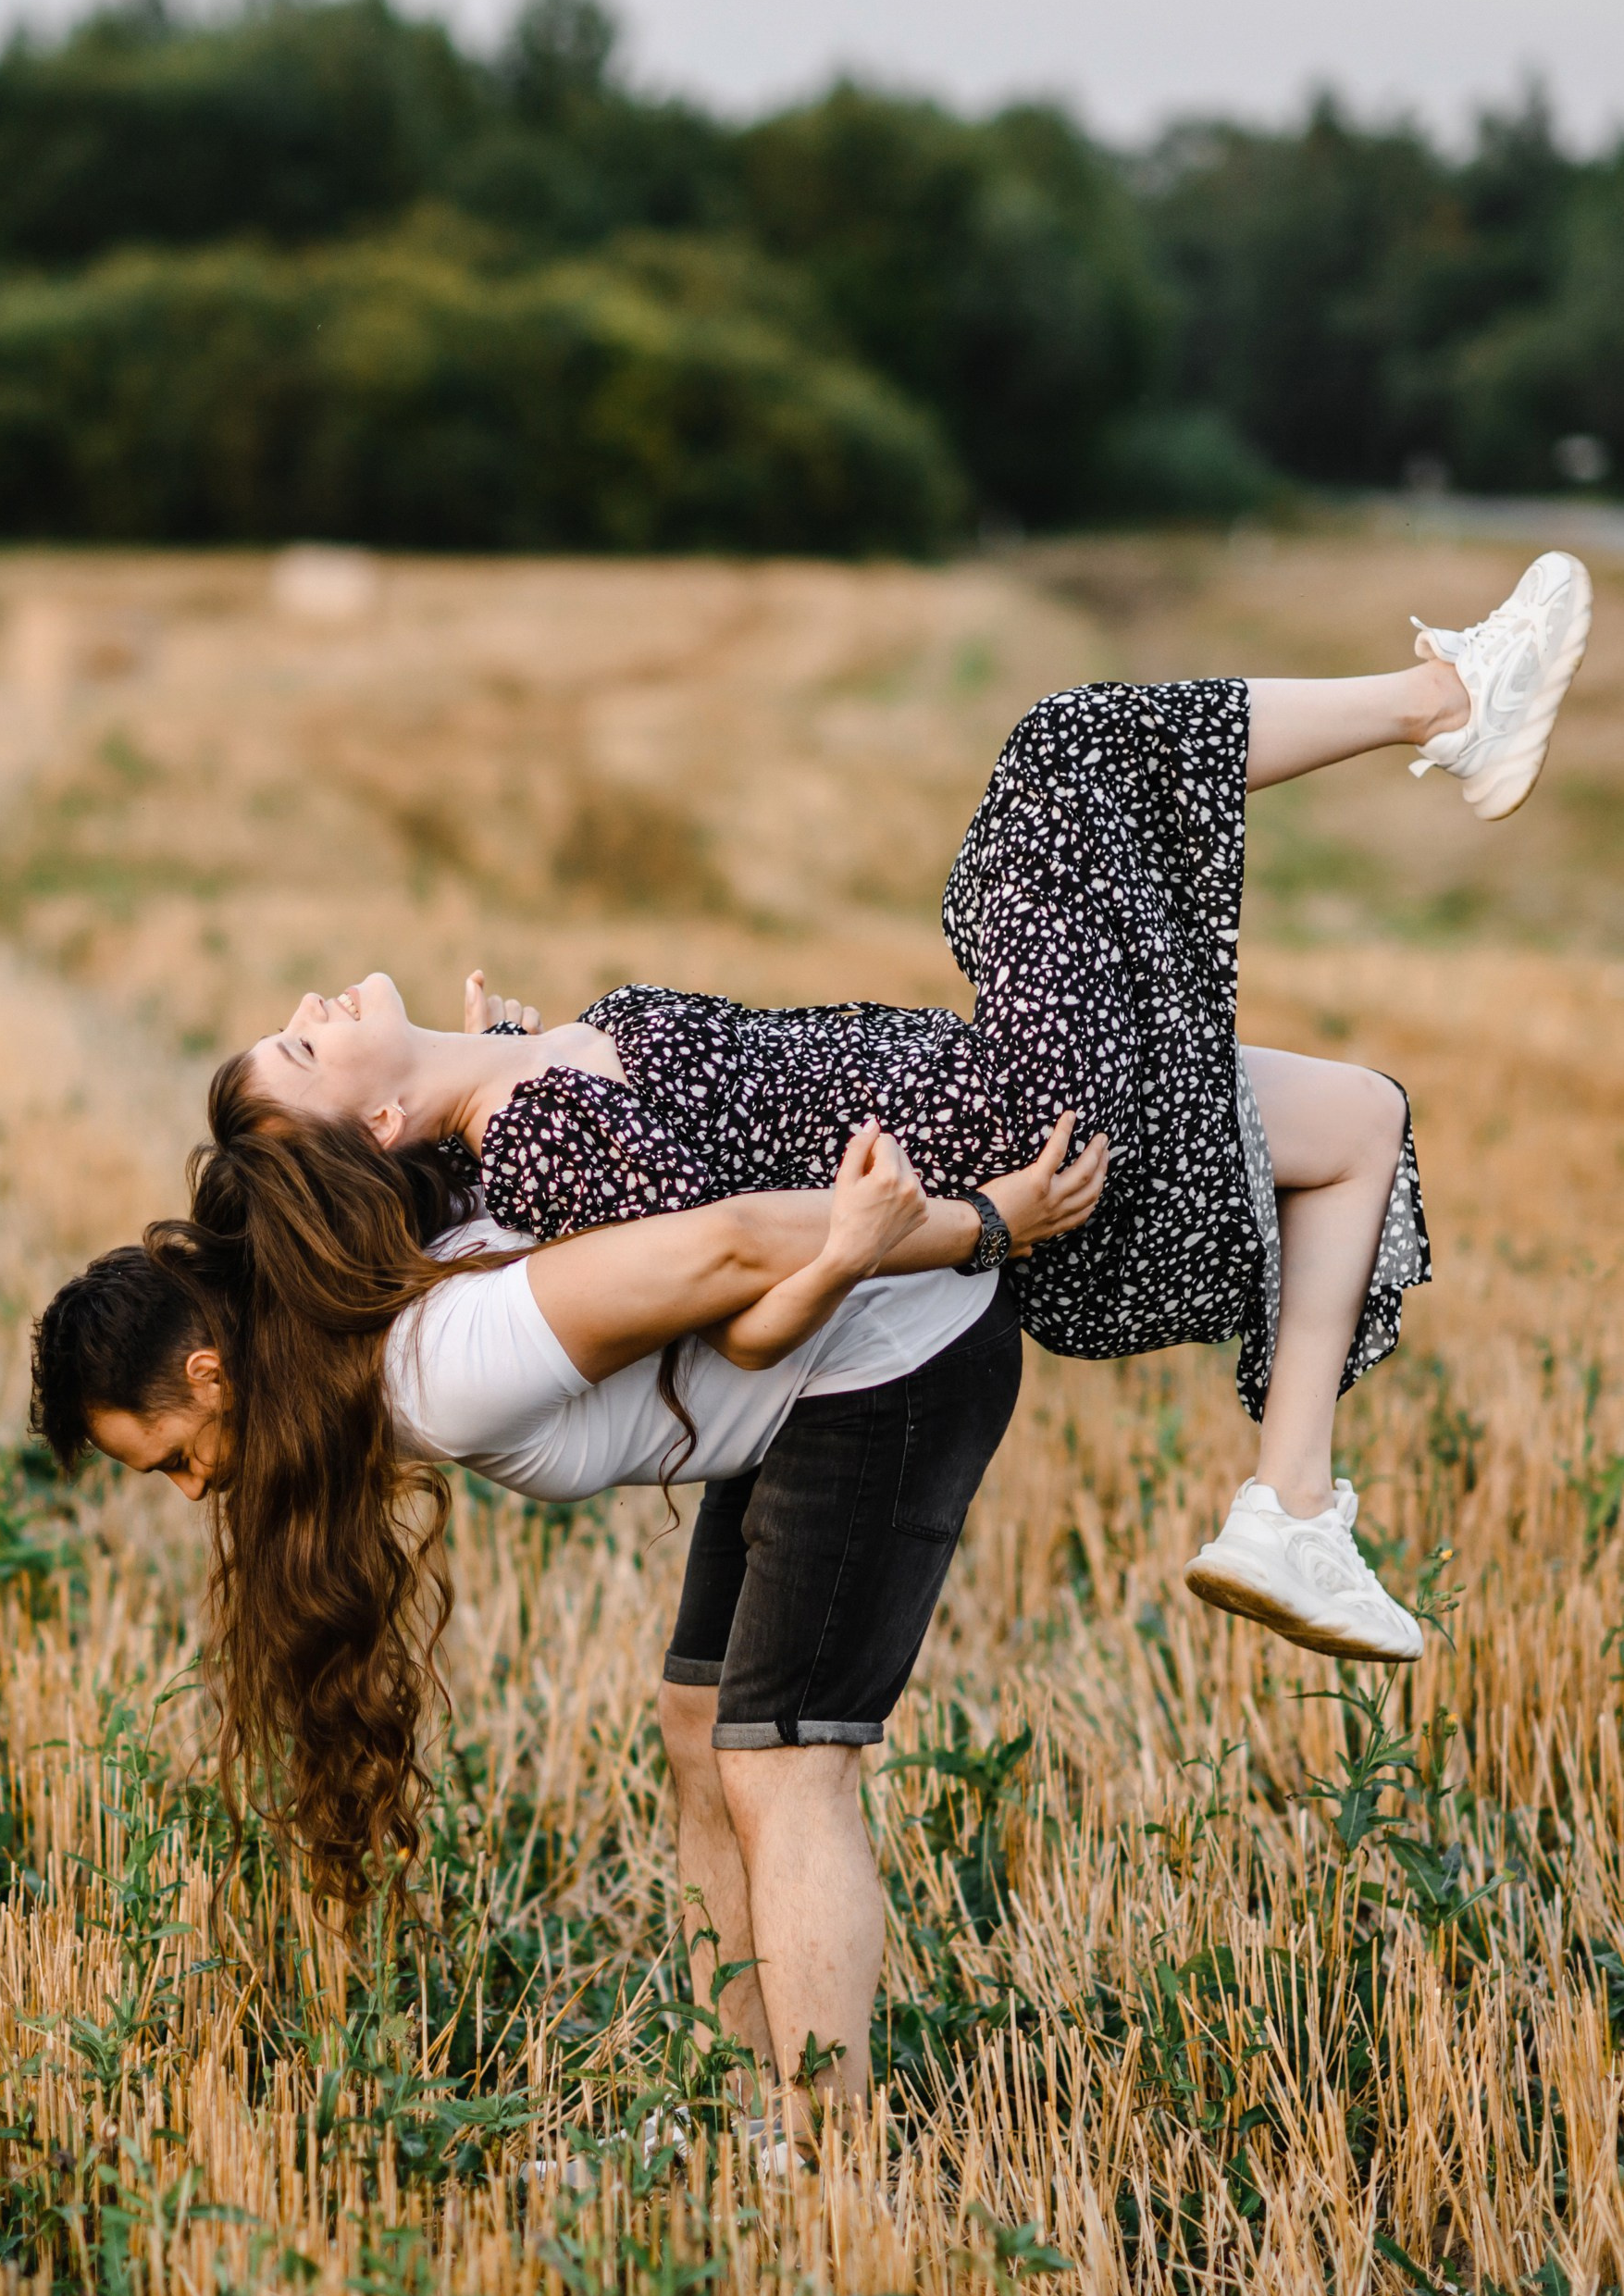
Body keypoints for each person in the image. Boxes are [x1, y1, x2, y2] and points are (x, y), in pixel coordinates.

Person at [223, 552, 1593, 1664]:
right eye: (296, 1053)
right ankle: (1450, 699)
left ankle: (1290, 1510)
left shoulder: (517, 1090)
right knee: (1060, 760)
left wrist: (507, 1042)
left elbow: (662, 1144)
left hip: (1001, 1106)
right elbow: (740, 1307)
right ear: (379, 1130)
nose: (306, 1009)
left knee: (1357, 1118)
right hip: (1010, 1118)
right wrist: (944, 1225)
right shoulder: (538, 1134)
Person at [33, 1116, 1104, 2134]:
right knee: (700, 1728)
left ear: (209, 1374)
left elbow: (725, 1247)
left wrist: (982, 1223)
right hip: (785, 1391)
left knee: (782, 1766)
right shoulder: (340, 1348)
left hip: (887, 1362)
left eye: (175, 1456)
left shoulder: (440, 1369)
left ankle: (826, 2153)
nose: (190, 1490)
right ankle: (742, 2112)